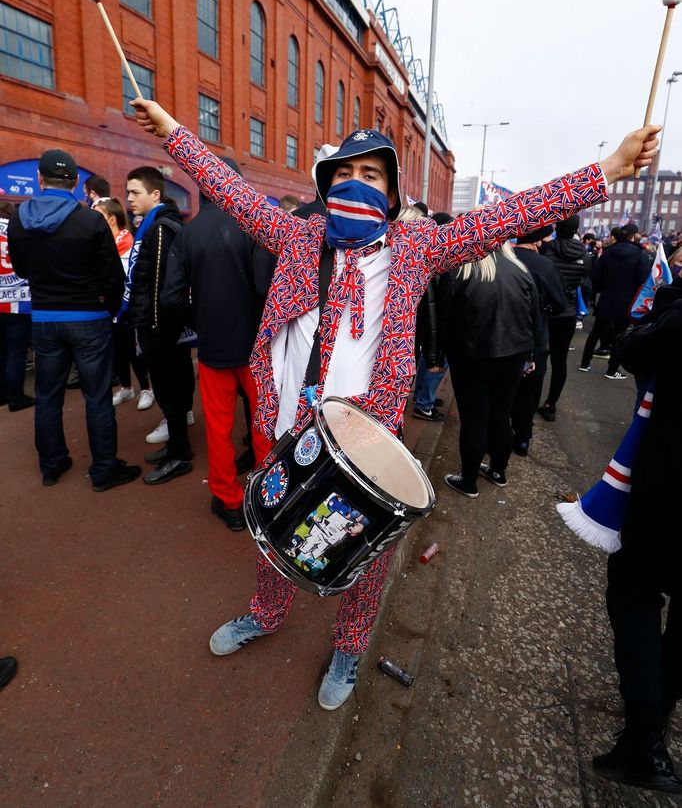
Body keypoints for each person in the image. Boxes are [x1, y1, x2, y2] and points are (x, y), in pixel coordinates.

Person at [131, 95, 660, 711]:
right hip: (291, 425)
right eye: (346, 174)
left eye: (372, 175)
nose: (357, 184)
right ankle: (265, 614)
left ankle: (351, 650)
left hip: (369, 434)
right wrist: (172, 131)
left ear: (389, 194)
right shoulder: (294, 237)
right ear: (327, 186)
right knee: (274, 527)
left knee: (365, 546)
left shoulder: (415, 251)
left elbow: (509, 214)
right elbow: (226, 184)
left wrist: (610, 170)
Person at [592, 249, 682, 795]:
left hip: (669, 488)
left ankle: (645, 738)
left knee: (634, 593)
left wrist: (665, 298)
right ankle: (656, 715)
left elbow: (631, 344)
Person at [7, 150, 140, 491]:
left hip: (45, 317)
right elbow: (112, 277)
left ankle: (51, 464)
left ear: (40, 178)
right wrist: (109, 309)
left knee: (47, 394)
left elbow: (21, 268)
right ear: (76, 183)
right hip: (89, 317)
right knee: (96, 395)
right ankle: (104, 470)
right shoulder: (90, 220)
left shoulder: (21, 218)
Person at [161, 164, 275, 530]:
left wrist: (202, 321)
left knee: (219, 427)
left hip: (213, 346)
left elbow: (171, 296)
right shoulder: (254, 228)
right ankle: (268, 496)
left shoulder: (188, 232)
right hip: (256, 345)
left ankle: (228, 500)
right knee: (263, 423)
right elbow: (265, 286)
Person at [439, 243, 539, 497]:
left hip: (472, 356)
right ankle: (498, 471)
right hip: (513, 354)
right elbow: (534, 316)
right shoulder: (520, 269)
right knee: (501, 414)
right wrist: (530, 354)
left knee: (475, 418)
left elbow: (445, 318)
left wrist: (440, 353)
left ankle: (469, 481)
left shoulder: (461, 270)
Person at [124, 167, 195, 485]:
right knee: (171, 390)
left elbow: (161, 287)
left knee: (169, 391)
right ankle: (177, 448)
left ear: (155, 194)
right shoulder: (154, 226)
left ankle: (179, 455)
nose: (129, 198)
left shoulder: (161, 228)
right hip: (159, 326)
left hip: (159, 328)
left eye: (135, 192)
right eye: (128, 192)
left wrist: (152, 329)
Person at [510, 225, 567, 456]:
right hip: (535, 339)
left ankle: (496, 440)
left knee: (503, 393)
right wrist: (543, 310)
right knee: (529, 394)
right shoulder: (545, 265)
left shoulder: (505, 259)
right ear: (537, 241)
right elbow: (560, 303)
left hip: (505, 337)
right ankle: (522, 440)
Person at [93, 198, 154, 411]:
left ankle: (146, 388)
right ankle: (126, 388)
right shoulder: (99, 243)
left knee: (133, 350)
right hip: (108, 307)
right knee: (118, 350)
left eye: (97, 213)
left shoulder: (128, 242)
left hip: (127, 307)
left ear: (111, 218)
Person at [580, 222, 650, 378]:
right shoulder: (641, 255)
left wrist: (602, 289)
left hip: (607, 297)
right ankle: (612, 369)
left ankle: (585, 363)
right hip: (626, 300)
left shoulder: (608, 252)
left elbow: (596, 276)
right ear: (634, 236)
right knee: (620, 336)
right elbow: (643, 281)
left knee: (596, 332)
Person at [537, 214, 587, 421]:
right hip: (567, 312)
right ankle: (551, 404)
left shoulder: (546, 250)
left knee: (538, 357)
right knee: (560, 360)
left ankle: (529, 401)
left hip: (544, 311)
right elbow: (586, 280)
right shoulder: (585, 254)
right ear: (576, 229)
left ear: (557, 227)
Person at [412, 210, 452, 422]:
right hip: (433, 321)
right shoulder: (438, 254)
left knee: (429, 359)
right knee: (435, 360)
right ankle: (424, 405)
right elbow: (433, 301)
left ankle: (422, 397)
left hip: (429, 322)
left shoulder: (428, 251)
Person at [0, 201, 33, 411]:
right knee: (16, 352)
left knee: (1, 351)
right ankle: (16, 397)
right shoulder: (19, 231)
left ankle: (2, 394)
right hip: (18, 302)